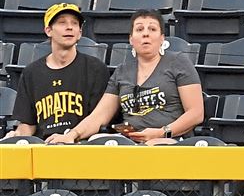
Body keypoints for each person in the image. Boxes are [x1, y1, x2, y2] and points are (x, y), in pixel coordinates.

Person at [46, 9, 204, 145]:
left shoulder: (178, 62)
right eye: (139, 29)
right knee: (97, 140)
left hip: (171, 140)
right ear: (131, 39)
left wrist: (162, 132)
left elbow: (196, 113)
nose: (146, 34)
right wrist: (71, 135)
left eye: (152, 29)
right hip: (130, 142)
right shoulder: (122, 71)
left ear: (162, 38)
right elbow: (100, 115)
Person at [5, 3, 109, 140]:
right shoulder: (32, 72)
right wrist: (17, 135)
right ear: (48, 31)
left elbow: (98, 119)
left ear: (80, 33)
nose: (69, 27)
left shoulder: (96, 69)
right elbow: (28, 124)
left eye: (75, 23)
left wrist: (71, 137)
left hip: (82, 146)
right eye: (62, 23)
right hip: (44, 147)